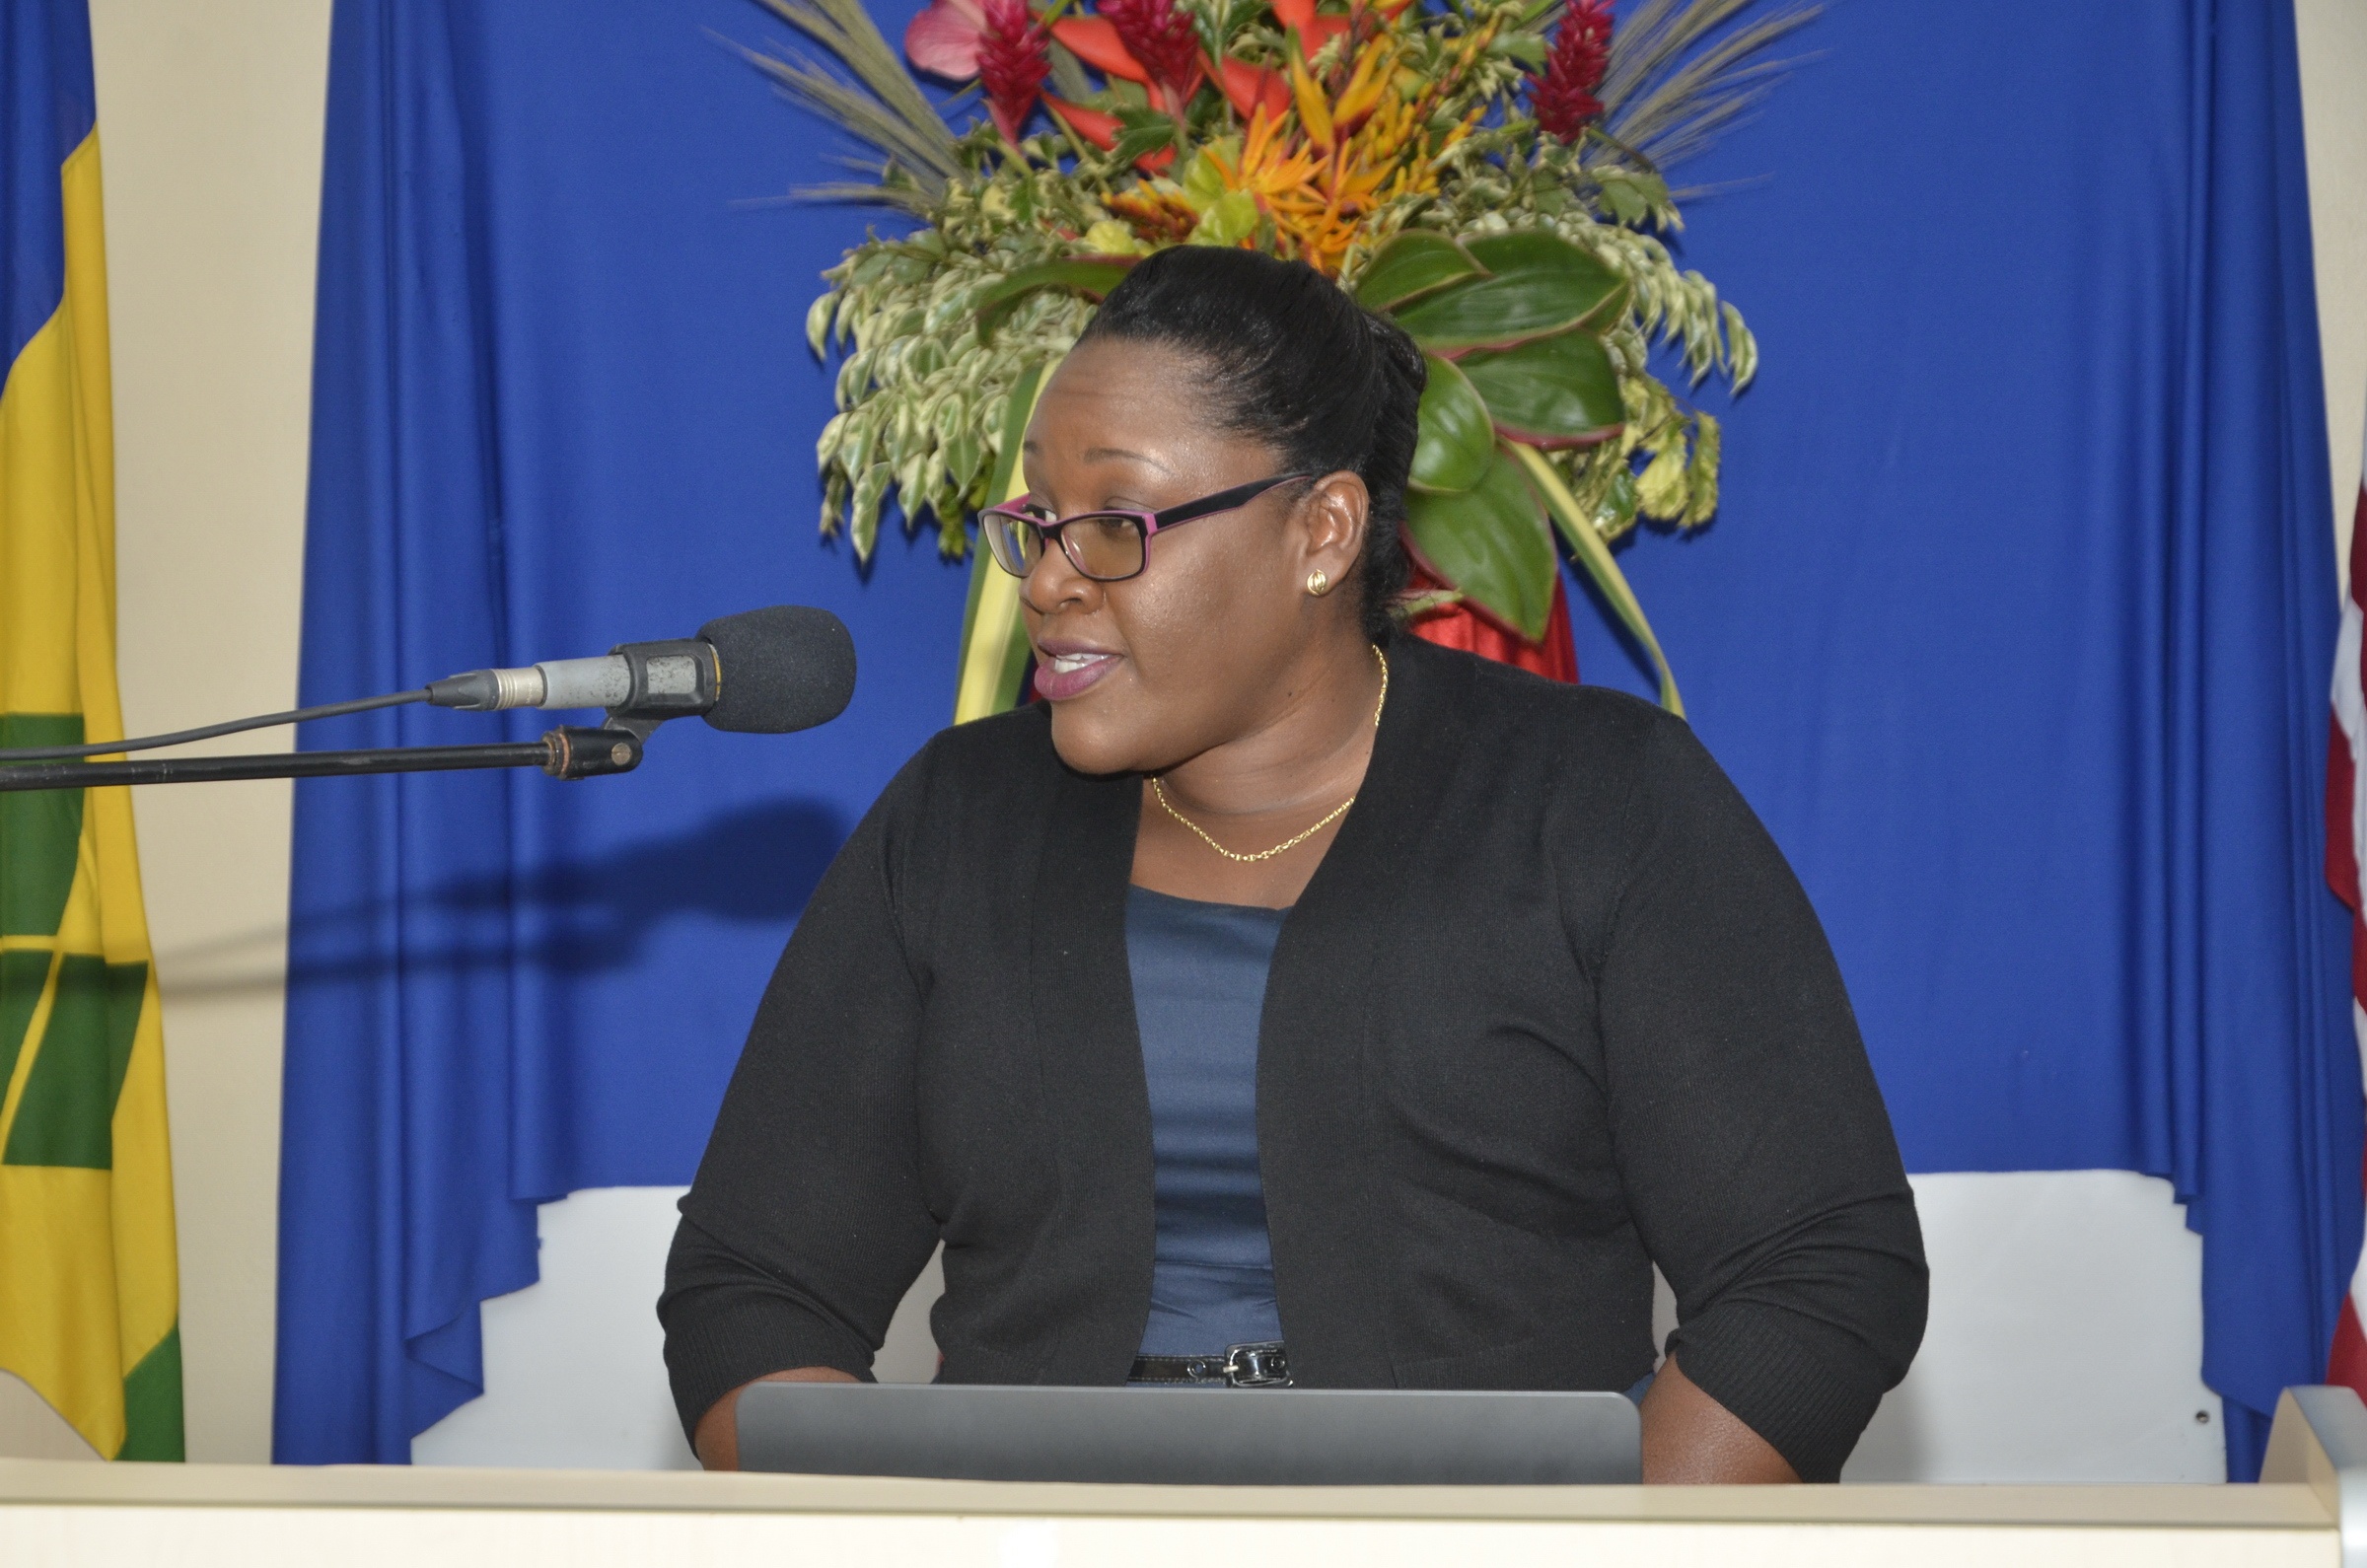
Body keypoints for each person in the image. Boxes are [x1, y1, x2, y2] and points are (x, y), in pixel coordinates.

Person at [659, 245, 1927, 1483]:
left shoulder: (1598, 802)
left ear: (1321, 531)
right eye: (1037, 521)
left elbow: (1814, 1270)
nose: (1049, 579)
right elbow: (755, 1290)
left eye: (1111, 523)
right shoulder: (956, 822)